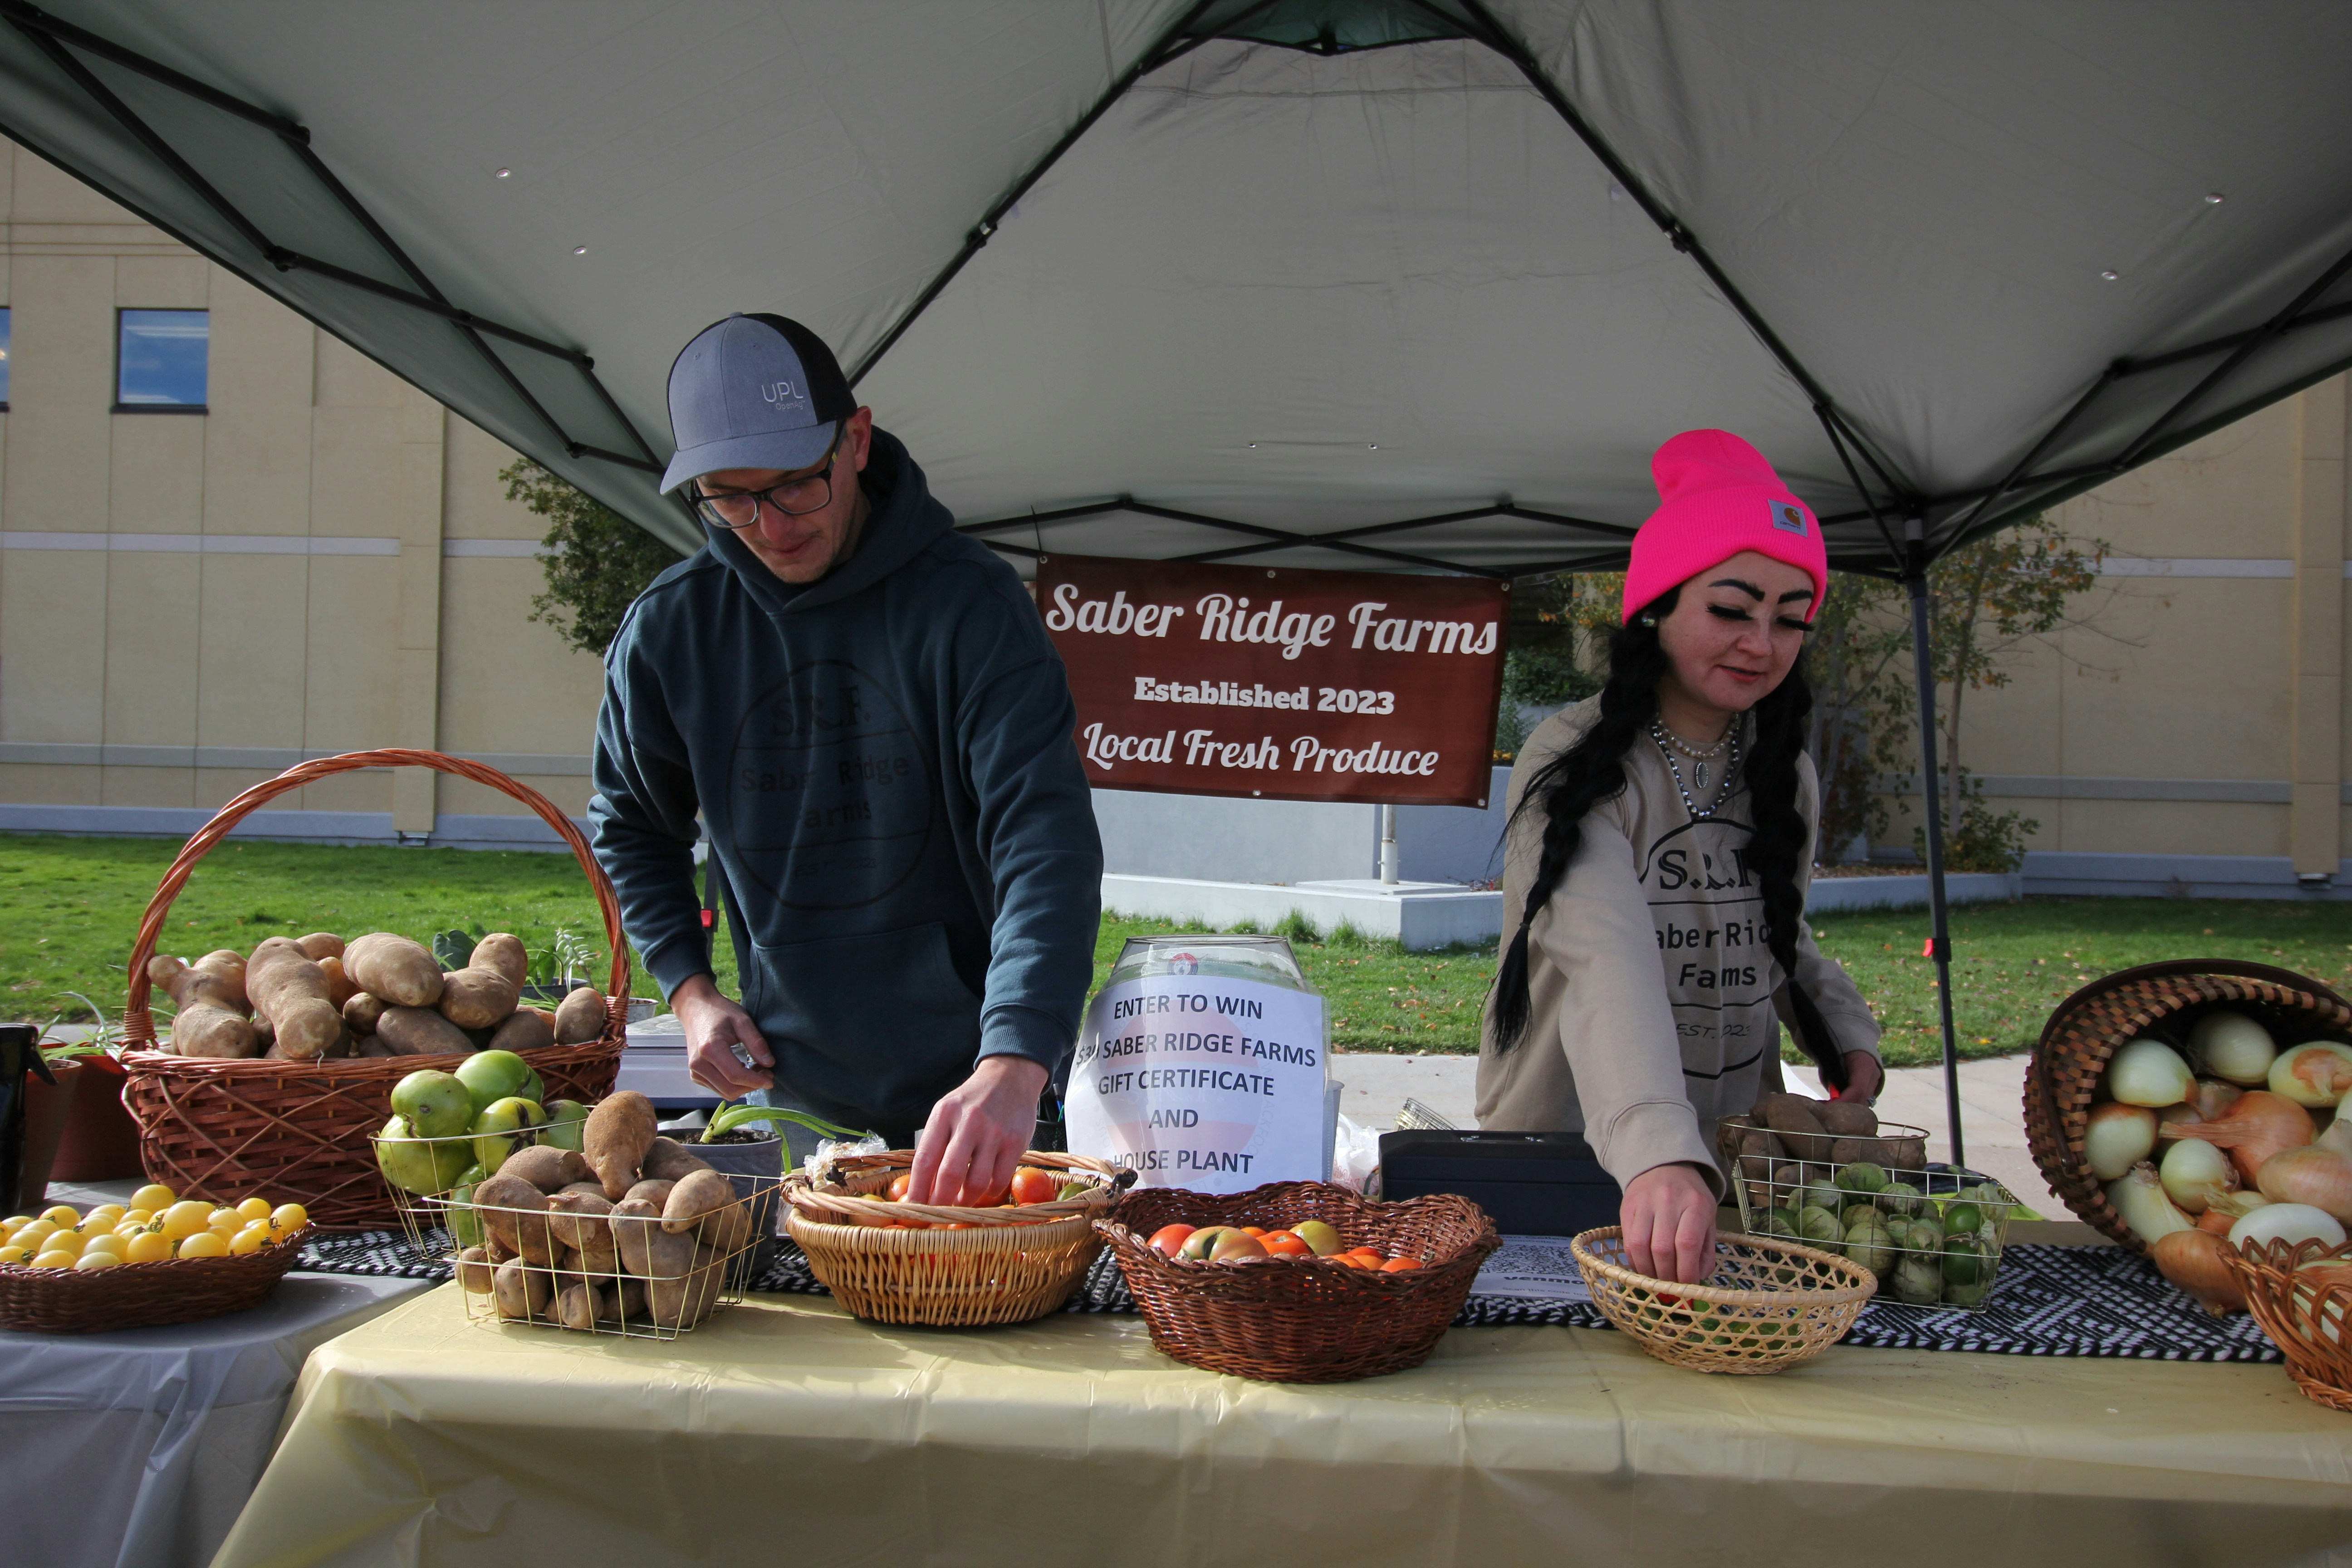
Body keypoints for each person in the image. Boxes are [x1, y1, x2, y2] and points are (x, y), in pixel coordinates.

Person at [590, 312, 1103, 1204]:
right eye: (730, 497)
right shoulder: (672, 630)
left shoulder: (971, 607)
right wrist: (690, 991)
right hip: (793, 1088)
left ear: (855, 440)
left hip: (986, 1080)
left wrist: (1018, 1058)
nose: (770, 526)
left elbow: (1042, 839)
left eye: (796, 486)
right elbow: (633, 824)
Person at [1477, 429, 1884, 1285]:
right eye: (1732, 610)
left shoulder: (1782, 770)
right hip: (1573, 1143)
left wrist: (1843, 1032)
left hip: (1729, 1153)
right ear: (1657, 608)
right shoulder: (1577, 760)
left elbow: (1775, 925)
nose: (1761, 643)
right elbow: (1603, 958)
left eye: (1790, 618)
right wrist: (1660, 1149)